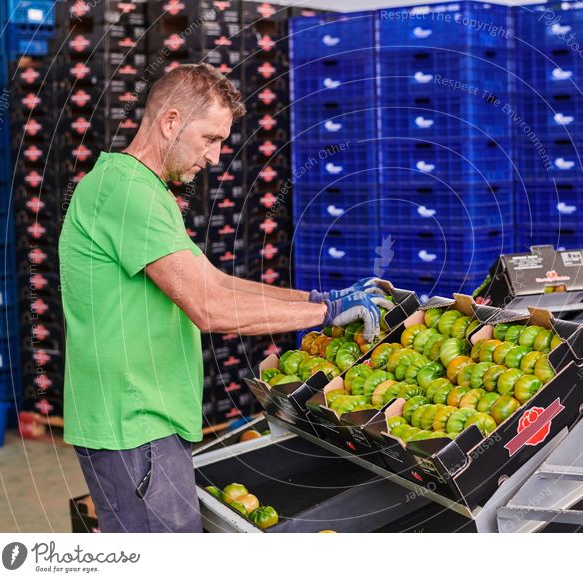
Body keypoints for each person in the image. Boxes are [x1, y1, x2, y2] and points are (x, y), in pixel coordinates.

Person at [58, 63, 388, 533]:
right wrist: (325, 314)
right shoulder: (126, 192)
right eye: (210, 138)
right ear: (171, 121)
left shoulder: (139, 189)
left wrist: (316, 297)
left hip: (145, 420)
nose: (214, 157)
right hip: (134, 423)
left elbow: (213, 281)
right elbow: (208, 308)